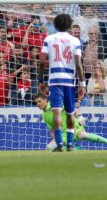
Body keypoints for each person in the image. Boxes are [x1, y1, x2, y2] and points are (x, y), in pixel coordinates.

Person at [38, 13, 86, 152]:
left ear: (55, 25)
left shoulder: (49, 39)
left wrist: (41, 80)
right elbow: (78, 64)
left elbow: (42, 61)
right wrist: (82, 84)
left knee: (57, 113)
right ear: (70, 25)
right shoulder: (75, 41)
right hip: (69, 82)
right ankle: (70, 144)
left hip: (54, 81)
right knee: (70, 114)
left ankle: (59, 144)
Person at [34, 93, 107, 150]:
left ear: (45, 100)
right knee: (49, 147)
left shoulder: (55, 104)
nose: (38, 104)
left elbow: (72, 108)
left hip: (73, 126)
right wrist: (56, 140)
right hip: (63, 133)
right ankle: (76, 148)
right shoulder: (44, 115)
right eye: (36, 103)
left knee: (82, 135)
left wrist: (79, 117)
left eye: (39, 101)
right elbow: (52, 129)